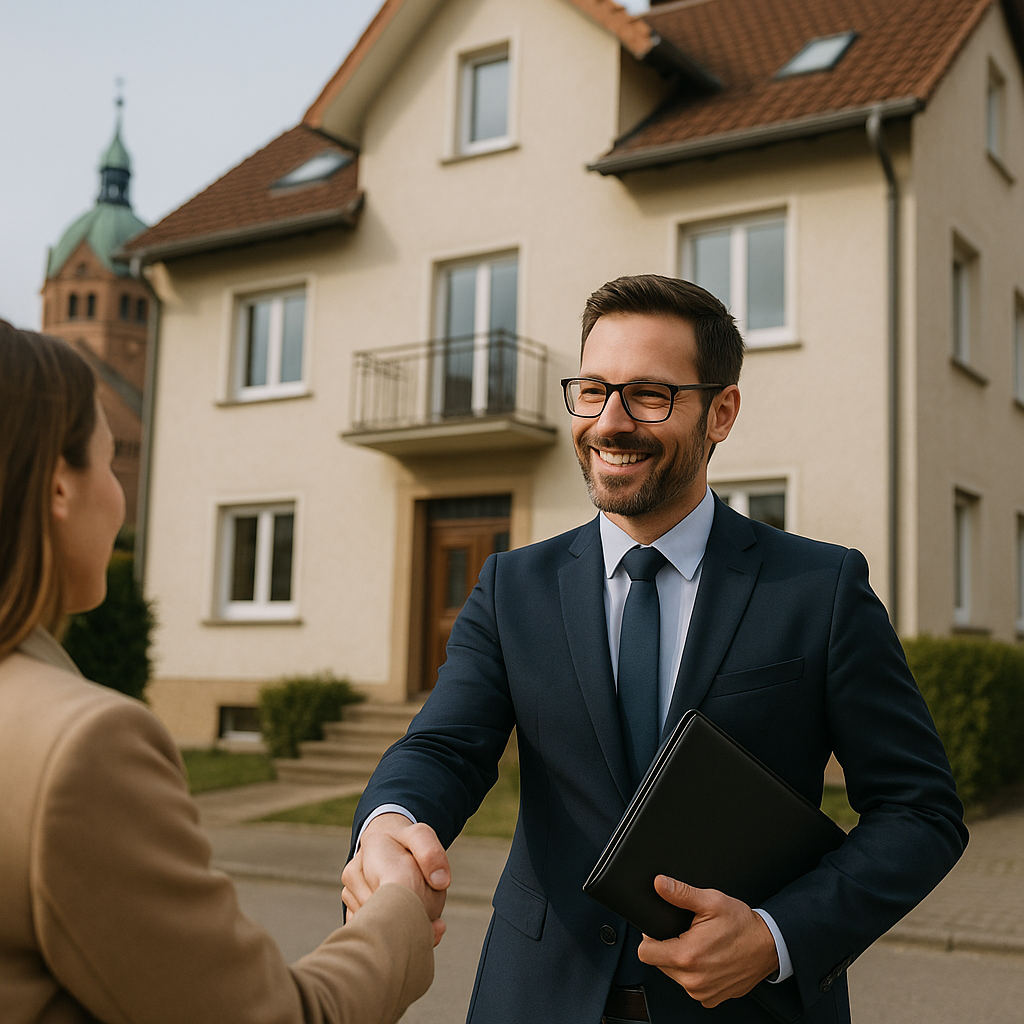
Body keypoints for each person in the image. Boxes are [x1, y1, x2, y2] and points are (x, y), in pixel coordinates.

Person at [341, 275, 968, 1024]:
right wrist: (388, 825)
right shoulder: (513, 586)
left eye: (649, 394)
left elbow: (919, 811)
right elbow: (444, 747)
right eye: (593, 389)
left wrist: (776, 937)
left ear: (722, 411)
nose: (609, 422)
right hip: (538, 998)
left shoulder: (820, 588)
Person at [0, 319, 446, 1024]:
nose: (120, 499)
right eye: (111, 463)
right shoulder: (77, 750)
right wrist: (397, 913)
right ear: (59, 487)